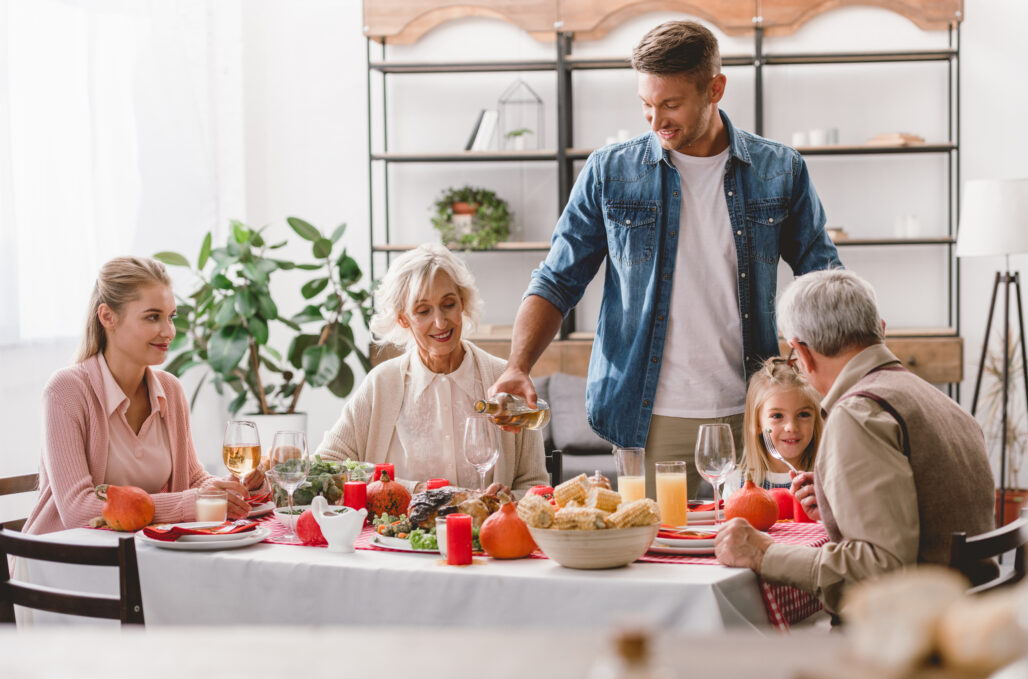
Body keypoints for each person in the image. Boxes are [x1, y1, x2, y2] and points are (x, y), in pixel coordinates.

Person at [489, 20, 841, 497]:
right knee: (655, 557)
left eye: (671, 104)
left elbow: (822, 277)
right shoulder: (610, 173)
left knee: (758, 554)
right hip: (647, 417)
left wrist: (856, 358)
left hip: (755, 416)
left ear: (715, 87)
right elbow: (557, 279)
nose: (656, 122)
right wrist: (518, 366)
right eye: (646, 106)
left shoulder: (780, 170)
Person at [714, 269, 997, 614]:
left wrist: (764, 553)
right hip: (968, 614)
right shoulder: (940, 403)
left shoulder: (858, 414)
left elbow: (880, 571)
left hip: (917, 633)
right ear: (880, 328)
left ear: (802, 353)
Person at [24, 257, 262, 535]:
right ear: (107, 317)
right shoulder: (66, 390)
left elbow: (192, 479)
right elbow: (79, 510)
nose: (169, 331)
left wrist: (234, 488)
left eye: (171, 317)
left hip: (136, 556)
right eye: (153, 317)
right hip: (61, 562)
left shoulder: (169, 390)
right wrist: (188, 504)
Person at [317, 244, 547, 490]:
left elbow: (535, 485)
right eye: (423, 311)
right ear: (403, 319)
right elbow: (328, 466)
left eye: (448, 304)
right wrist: (414, 490)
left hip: (485, 528)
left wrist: (508, 501)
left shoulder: (503, 379)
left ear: (463, 303)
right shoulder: (382, 384)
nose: (440, 322)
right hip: (398, 529)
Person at [728, 357, 823, 491]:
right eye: (777, 416)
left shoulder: (827, 480)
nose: (791, 427)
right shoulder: (735, 483)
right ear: (757, 424)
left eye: (803, 414)